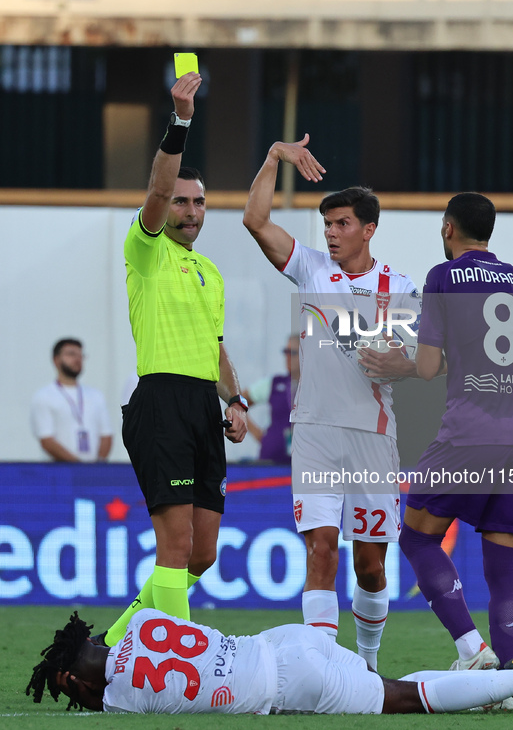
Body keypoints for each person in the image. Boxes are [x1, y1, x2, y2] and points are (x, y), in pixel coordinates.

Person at [243, 135, 421, 669]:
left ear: (369, 229)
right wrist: (274, 157)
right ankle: (322, 668)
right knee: (320, 547)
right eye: (328, 225)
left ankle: (365, 664)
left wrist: (401, 363)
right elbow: (255, 220)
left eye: (343, 224)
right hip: (315, 432)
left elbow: (418, 361)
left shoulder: (400, 286)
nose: (332, 233)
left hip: (371, 435)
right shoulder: (312, 269)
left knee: (369, 565)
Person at [96, 70, 247, 648]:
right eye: (181, 201)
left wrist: (232, 400)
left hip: (202, 408)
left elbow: (215, 347)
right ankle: (175, 665)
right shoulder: (147, 248)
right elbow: (155, 194)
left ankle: (111, 644)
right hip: (160, 400)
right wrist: (180, 121)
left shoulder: (209, 272)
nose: (190, 210)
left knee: (202, 554)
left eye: (199, 201)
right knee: (176, 546)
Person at [397, 192, 513, 712]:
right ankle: (507, 686)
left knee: (417, 539)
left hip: (467, 434)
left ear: (447, 228)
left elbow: (425, 365)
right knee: (504, 569)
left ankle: (473, 652)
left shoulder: (443, 278)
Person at [26, 609, 513, 716]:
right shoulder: (144, 623)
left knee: (406, 700)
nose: (72, 699)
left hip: (287, 686)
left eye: (65, 690)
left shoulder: (120, 699)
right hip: (286, 640)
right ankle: (504, 684)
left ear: (75, 676)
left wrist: (87, 693)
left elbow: (103, 696)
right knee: (392, 684)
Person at [30, 338, 113, 462]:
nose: (77, 359)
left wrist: (98, 466)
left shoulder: (96, 395)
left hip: (93, 474)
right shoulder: (44, 396)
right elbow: (46, 440)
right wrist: (77, 467)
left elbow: (106, 434)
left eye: (81, 355)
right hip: (59, 473)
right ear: (56, 359)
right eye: (71, 354)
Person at [243, 334, 300, 464]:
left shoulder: (316, 386)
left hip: (302, 463)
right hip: (272, 461)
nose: (288, 357)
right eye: (286, 352)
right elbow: (239, 401)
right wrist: (257, 433)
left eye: (293, 353)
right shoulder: (275, 383)